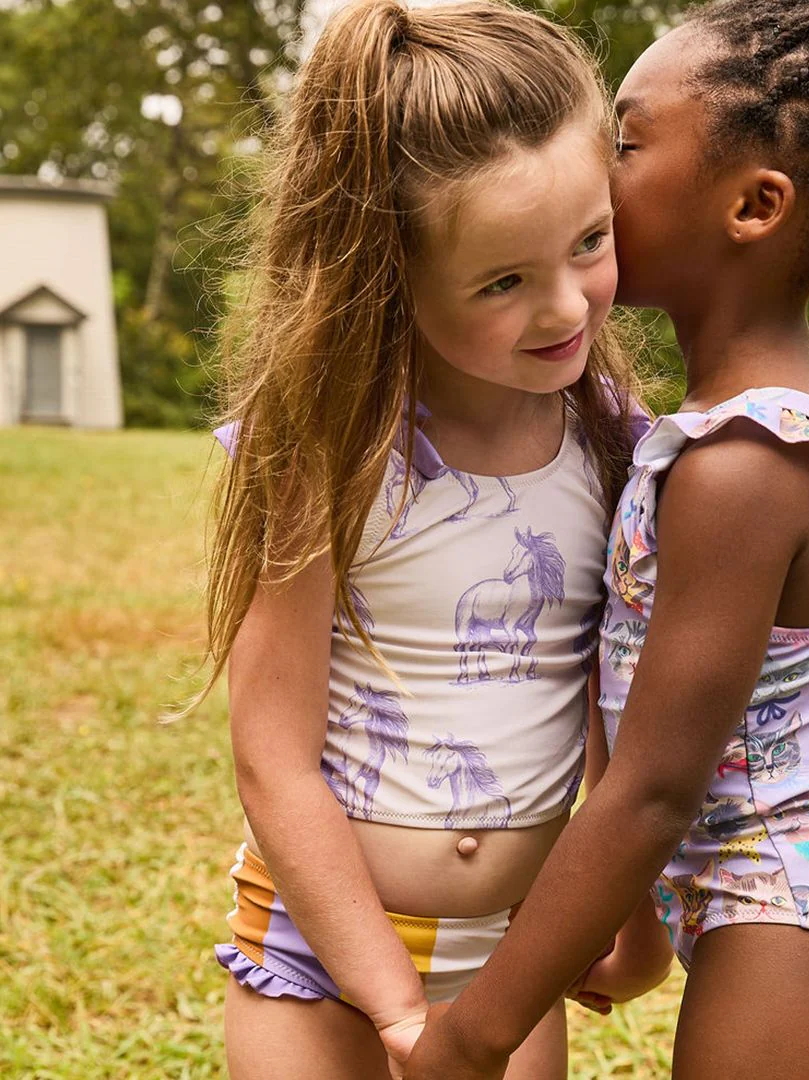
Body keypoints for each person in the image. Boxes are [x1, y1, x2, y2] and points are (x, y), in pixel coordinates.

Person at [403, 0, 809, 1077]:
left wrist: (475, 1034)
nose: (594, 171)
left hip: (804, 919)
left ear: (755, 205)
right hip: (783, 901)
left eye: (627, 143)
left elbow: (655, 789)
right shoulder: (765, 416)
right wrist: (635, 929)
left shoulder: (744, 468)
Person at [201, 2, 662, 1077]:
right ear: (387, 272)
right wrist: (398, 1010)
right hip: (322, 952)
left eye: (589, 243)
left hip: (513, 955)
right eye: (502, 281)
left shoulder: (615, 447)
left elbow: (610, 710)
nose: (565, 307)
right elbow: (272, 757)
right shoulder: (329, 449)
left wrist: (635, 921)